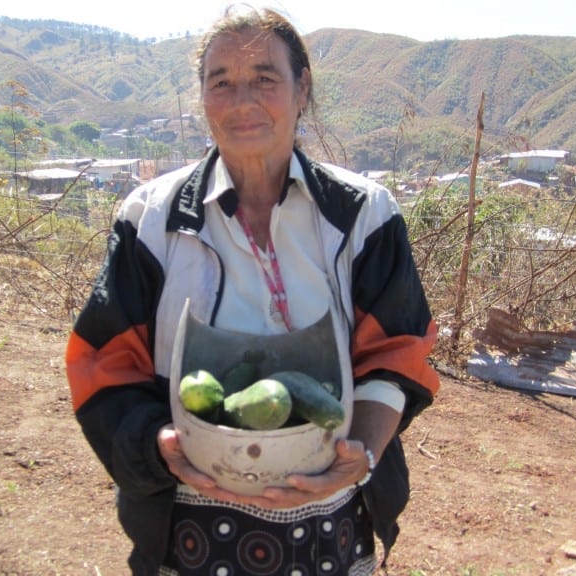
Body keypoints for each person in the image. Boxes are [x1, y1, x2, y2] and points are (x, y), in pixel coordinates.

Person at [66, 6, 439, 575]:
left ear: (301, 88)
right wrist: (157, 446)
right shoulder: (149, 218)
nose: (242, 101)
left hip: (330, 517)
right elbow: (104, 363)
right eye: (222, 82)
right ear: (202, 97)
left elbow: (397, 353)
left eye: (264, 78)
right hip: (189, 521)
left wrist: (356, 455)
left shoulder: (364, 214)